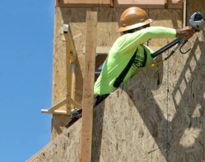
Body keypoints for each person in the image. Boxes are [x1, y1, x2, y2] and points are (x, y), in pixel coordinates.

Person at [66, 7, 195, 127]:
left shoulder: (143, 51)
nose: (148, 28)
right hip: (99, 100)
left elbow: (155, 57)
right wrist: (178, 32)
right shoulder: (122, 43)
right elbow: (148, 33)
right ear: (137, 29)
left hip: (117, 101)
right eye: (145, 26)